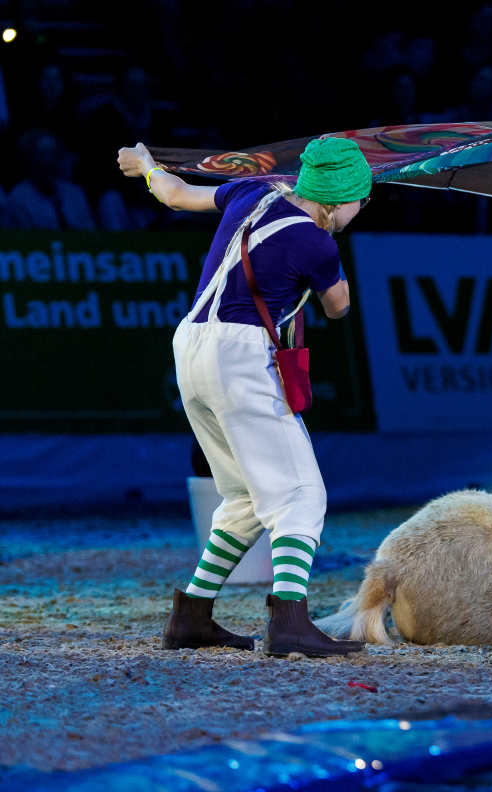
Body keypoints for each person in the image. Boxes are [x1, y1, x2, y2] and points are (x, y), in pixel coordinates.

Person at [116, 137, 371, 657]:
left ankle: (191, 616)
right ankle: (290, 623)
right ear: (335, 198)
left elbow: (176, 194)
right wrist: (326, 249)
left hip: (191, 343)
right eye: (359, 201)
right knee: (301, 494)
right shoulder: (317, 242)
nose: (361, 209)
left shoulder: (254, 191)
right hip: (240, 356)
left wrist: (145, 166)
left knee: (245, 498)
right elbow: (339, 306)